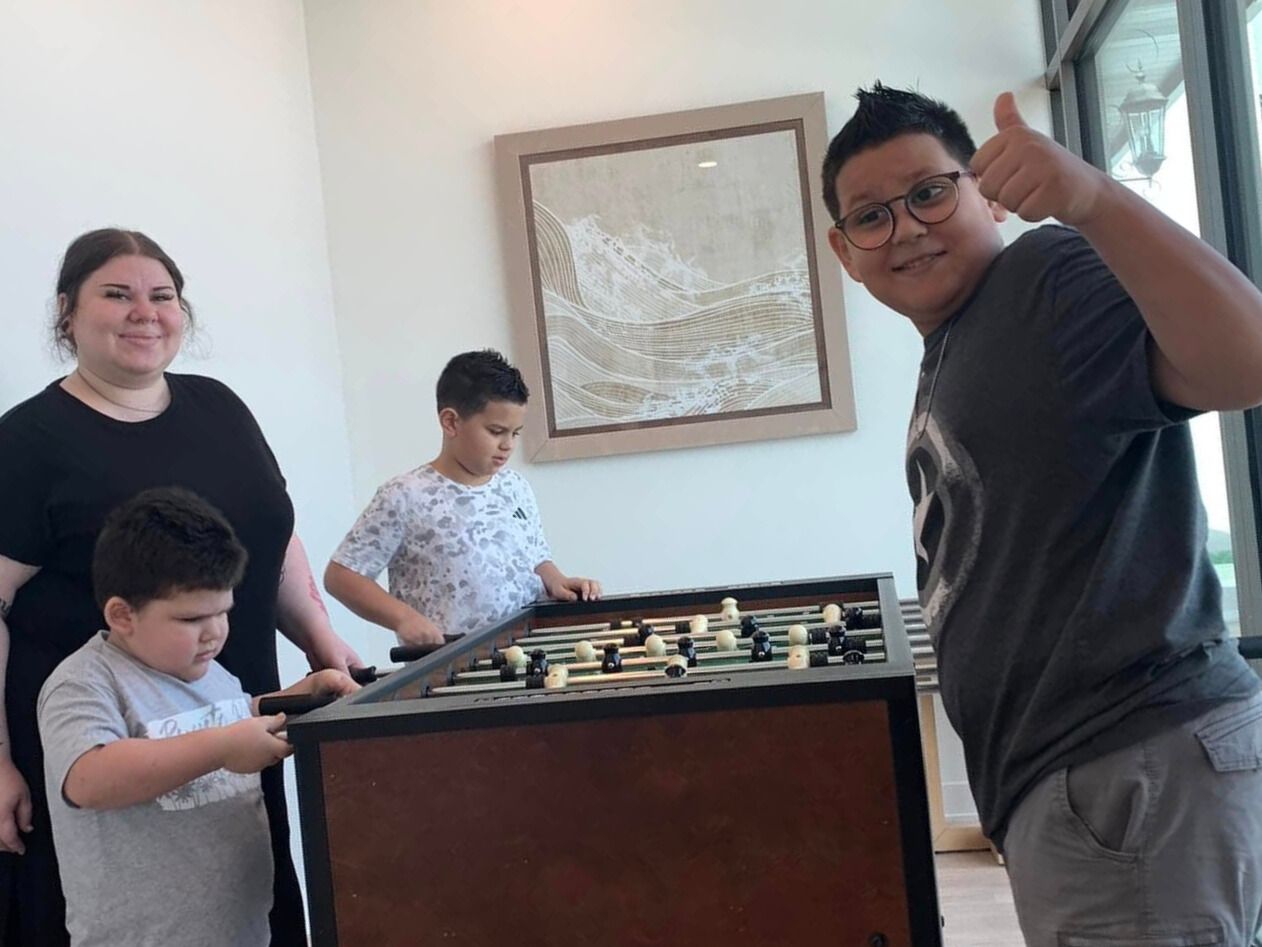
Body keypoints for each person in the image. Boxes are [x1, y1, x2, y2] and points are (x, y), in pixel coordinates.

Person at [821, 83, 1262, 944]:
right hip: (1091, 781)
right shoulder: (962, 339)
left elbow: (1243, 360)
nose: (905, 228)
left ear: (987, 192)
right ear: (844, 250)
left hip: (1126, 765)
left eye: (929, 193)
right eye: (871, 216)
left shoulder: (1043, 278)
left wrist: (1092, 200)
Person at [0, 228, 362, 945]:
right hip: (104, 744)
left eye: (162, 296)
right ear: (67, 312)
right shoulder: (27, 441)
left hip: (233, 718)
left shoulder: (220, 406)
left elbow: (273, 534)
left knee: (236, 897)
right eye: (117, 294)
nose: (145, 312)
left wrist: (324, 643)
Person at [37, 487, 358, 946]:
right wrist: (223, 748)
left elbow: (229, 718)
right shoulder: (84, 682)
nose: (213, 634)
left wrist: (297, 697)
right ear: (122, 615)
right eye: (191, 620)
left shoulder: (207, 669)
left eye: (223, 613)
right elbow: (87, 778)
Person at [325, 349, 601, 644]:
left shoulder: (516, 487)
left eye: (515, 433)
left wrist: (555, 579)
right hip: (450, 665)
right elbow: (341, 576)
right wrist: (404, 618)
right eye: (496, 431)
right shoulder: (404, 496)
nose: (508, 445)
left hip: (529, 655)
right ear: (451, 422)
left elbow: (535, 558)